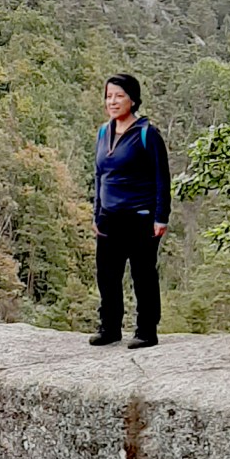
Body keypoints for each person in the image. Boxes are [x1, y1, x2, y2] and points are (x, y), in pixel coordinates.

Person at [89, 73, 171, 349]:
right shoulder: (103, 132)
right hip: (109, 218)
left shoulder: (148, 134)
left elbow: (162, 178)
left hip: (141, 217)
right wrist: (97, 213)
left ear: (132, 100)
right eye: (109, 96)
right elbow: (100, 175)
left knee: (143, 274)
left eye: (119, 96)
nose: (112, 101)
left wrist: (161, 217)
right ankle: (110, 328)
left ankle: (147, 331)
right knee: (107, 275)